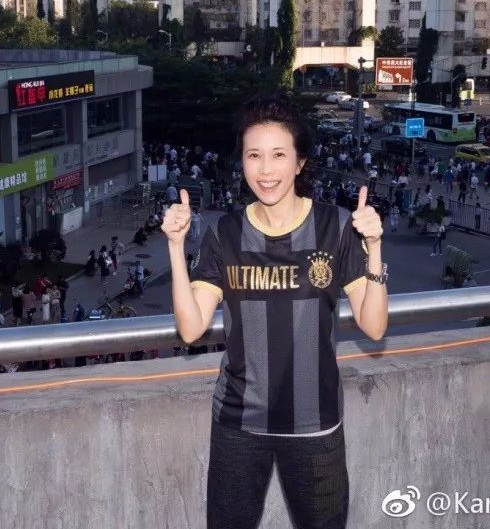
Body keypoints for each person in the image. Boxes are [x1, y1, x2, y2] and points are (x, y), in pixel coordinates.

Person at [163, 92, 387, 529]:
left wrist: (374, 247)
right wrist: (175, 247)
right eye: (254, 156)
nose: (266, 170)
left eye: (279, 155)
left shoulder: (336, 226)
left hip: (316, 423)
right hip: (238, 423)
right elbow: (190, 330)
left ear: (300, 162)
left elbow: (374, 326)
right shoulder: (225, 233)